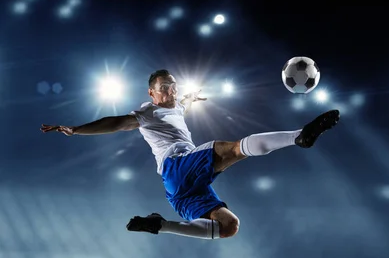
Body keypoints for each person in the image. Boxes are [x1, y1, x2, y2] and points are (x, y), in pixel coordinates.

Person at [41, 69, 340, 240]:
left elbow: (183, 103)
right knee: (232, 149)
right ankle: (299, 138)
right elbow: (117, 123)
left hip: (179, 189)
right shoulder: (147, 113)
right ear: (151, 93)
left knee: (228, 227)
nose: (170, 92)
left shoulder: (175, 104)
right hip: (178, 165)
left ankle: (160, 224)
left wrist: (190, 98)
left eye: (173, 86)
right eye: (164, 88)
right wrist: (76, 129)